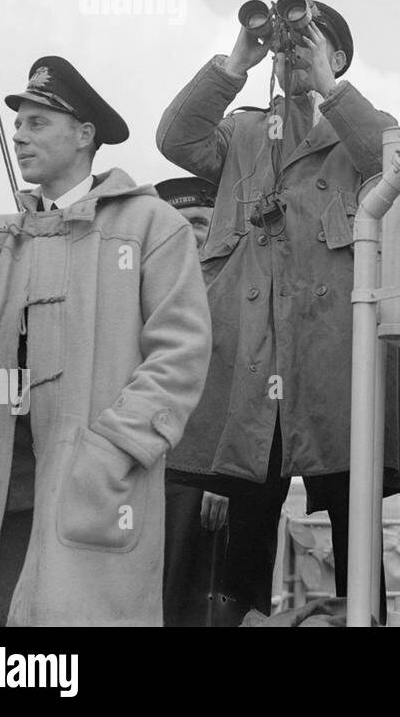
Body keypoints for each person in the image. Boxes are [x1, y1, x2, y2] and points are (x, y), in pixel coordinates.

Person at [156, 0, 400, 623]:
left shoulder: (361, 127)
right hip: (252, 361)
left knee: (355, 518)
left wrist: (325, 83)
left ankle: (363, 620)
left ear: (341, 58)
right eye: (285, 47)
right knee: (244, 528)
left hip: (336, 363)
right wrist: (238, 61)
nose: (291, 55)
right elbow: (175, 138)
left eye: (307, 42)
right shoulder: (244, 134)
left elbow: (392, 161)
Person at [0, 56, 212, 626]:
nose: (18, 137)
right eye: (18, 125)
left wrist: (115, 450)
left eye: (37, 123)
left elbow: (181, 352)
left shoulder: (152, 227)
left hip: (92, 487)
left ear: (84, 136)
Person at [155, 176, 235, 626]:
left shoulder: (233, 289)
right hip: (151, 472)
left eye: (201, 222)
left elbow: (246, 386)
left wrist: (223, 476)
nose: (190, 234)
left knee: (199, 607)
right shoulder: (146, 287)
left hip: (203, 480)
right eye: (178, 223)